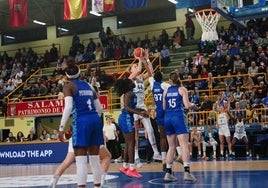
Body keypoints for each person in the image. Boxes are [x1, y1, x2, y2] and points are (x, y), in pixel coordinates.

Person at [58, 57, 103, 188]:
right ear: (79, 73)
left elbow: (68, 108)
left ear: (66, 75)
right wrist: (94, 120)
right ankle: (97, 186)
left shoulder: (68, 86)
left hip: (82, 121)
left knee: (81, 161)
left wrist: (61, 128)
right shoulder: (88, 85)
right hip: (95, 119)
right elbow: (99, 108)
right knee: (95, 160)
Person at [128, 50, 162, 168]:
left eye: (136, 65)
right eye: (134, 66)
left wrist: (147, 59)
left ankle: (156, 153)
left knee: (150, 129)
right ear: (131, 70)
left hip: (142, 106)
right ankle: (136, 157)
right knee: (136, 134)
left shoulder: (141, 77)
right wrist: (139, 59)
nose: (136, 67)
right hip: (133, 108)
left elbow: (151, 72)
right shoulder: (130, 78)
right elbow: (138, 69)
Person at [163, 72, 196, 182]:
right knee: (184, 145)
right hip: (177, 117)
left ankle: (168, 174)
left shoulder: (166, 91)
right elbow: (187, 105)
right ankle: (187, 173)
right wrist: (194, 106)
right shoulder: (182, 89)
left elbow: (164, 106)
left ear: (170, 80)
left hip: (167, 118)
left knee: (171, 147)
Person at [114, 78, 149, 178]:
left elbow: (132, 108)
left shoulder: (131, 93)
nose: (133, 82)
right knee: (132, 143)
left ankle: (125, 166)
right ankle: (132, 168)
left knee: (129, 143)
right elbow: (127, 108)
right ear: (128, 85)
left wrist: (142, 111)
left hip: (127, 118)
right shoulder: (128, 93)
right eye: (131, 82)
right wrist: (139, 112)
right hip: (126, 118)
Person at [148, 71, 170, 164]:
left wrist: (146, 61)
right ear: (162, 78)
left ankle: (164, 157)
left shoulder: (153, 84)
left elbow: (150, 74)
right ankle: (177, 154)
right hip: (166, 110)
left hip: (158, 111)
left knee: (162, 137)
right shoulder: (164, 85)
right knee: (171, 135)